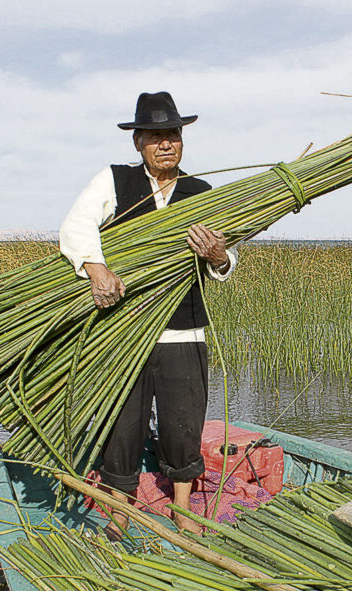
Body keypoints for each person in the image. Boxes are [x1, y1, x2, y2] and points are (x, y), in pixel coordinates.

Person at [58, 91, 236, 535]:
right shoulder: (115, 181)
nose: (166, 144)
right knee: (123, 421)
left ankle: (183, 508)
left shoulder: (201, 192)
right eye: (155, 136)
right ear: (138, 142)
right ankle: (120, 507)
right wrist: (96, 269)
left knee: (183, 421)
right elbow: (76, 226)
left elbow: (226, 260)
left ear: (182, 139)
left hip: (184, 329)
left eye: (173, 135)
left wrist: (217, 255)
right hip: (123, 330)